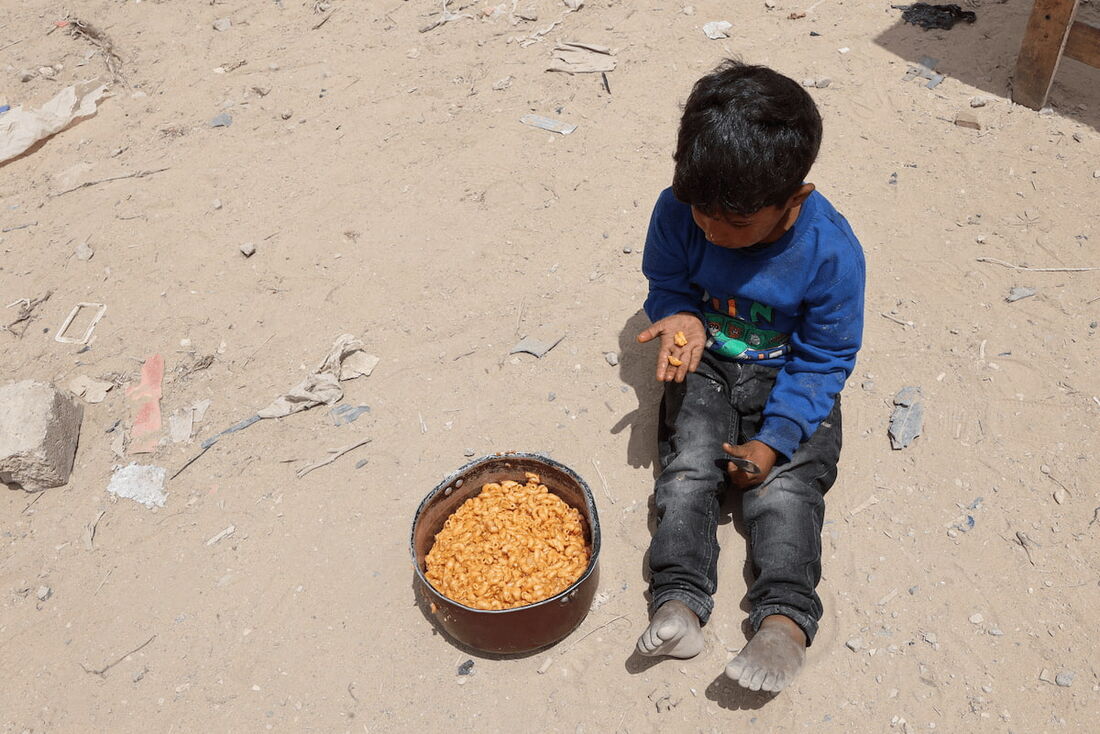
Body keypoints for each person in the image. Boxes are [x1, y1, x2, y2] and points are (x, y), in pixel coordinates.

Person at [633, 59, 865, 693]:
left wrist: (774, 440)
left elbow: (824, 357)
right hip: (706, 365)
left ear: (795, 199)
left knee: (784, 494)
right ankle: (678, 601)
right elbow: (668, 281)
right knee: (686, 472)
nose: (709, 229)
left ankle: (784, 621)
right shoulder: (679, 209)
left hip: (788, 376)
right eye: (699, 211)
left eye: (734, 224)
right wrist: (680, 315)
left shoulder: (830, 252)